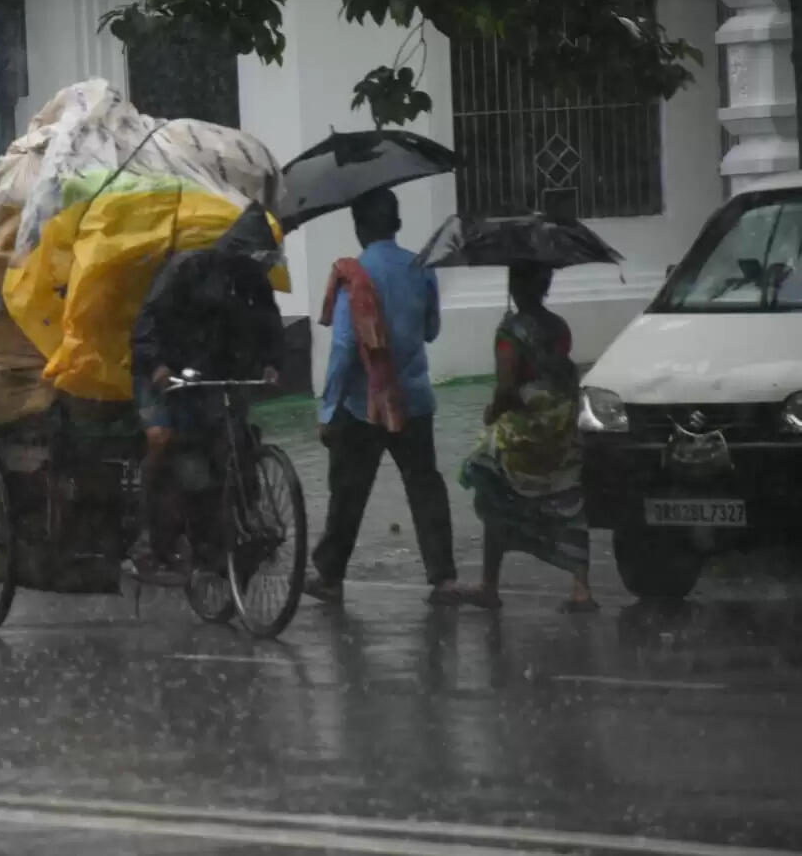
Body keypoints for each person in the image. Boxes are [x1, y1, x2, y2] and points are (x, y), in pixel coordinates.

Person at [308, 188, 462, 605]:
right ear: (396, 224)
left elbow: (343, 347)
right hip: (413, 397)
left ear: (359, 227)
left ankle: (330, 577)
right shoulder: (421, 267)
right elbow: (431, 330)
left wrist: (328, 407)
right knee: (425, 484)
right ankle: (443, 577)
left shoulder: (353, 274)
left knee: (349, 491)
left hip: (365, 403)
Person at [129, 203, 285, 584]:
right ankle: (148, 538)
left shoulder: (254, 283)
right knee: (166, 442)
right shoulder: (187, 269)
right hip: (163, 372)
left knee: (230, 445)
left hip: (214, 375)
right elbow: (147, 325)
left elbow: (269, 326)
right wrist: (159, 367)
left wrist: (270, 362)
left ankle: (230, 529)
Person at [458, 262, 595, 611]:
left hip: (526, 437)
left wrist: (492, 411)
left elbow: (507, 388)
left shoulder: (510, 333)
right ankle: (582, 587)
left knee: (485, 472)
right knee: (569, 494)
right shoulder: (559, 327)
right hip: (560, 430)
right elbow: (562, 376)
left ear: (515, 285)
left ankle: (489, 585)